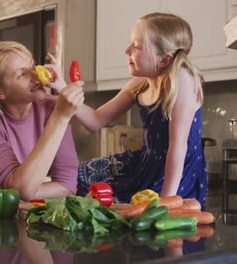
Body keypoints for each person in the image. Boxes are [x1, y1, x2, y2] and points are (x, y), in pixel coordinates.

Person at [74, 12, 207, 205]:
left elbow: (178, 146)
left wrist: (166, 202)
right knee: (75, 176)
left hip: (176, 173)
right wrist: (61, 91)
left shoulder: (183, 79)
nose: (126, 50)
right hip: (144, 163)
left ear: (164, 60)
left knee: (131, 210)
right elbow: (95, 120)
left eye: (136, 46)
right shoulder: (141, 82)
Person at [0, 41, 85, 204]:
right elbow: (21, 190)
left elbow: (67, 186)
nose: (36, 76)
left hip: (8, 207)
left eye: (32, 66)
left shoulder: (54, 108)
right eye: (22, 74)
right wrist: (60, 117)